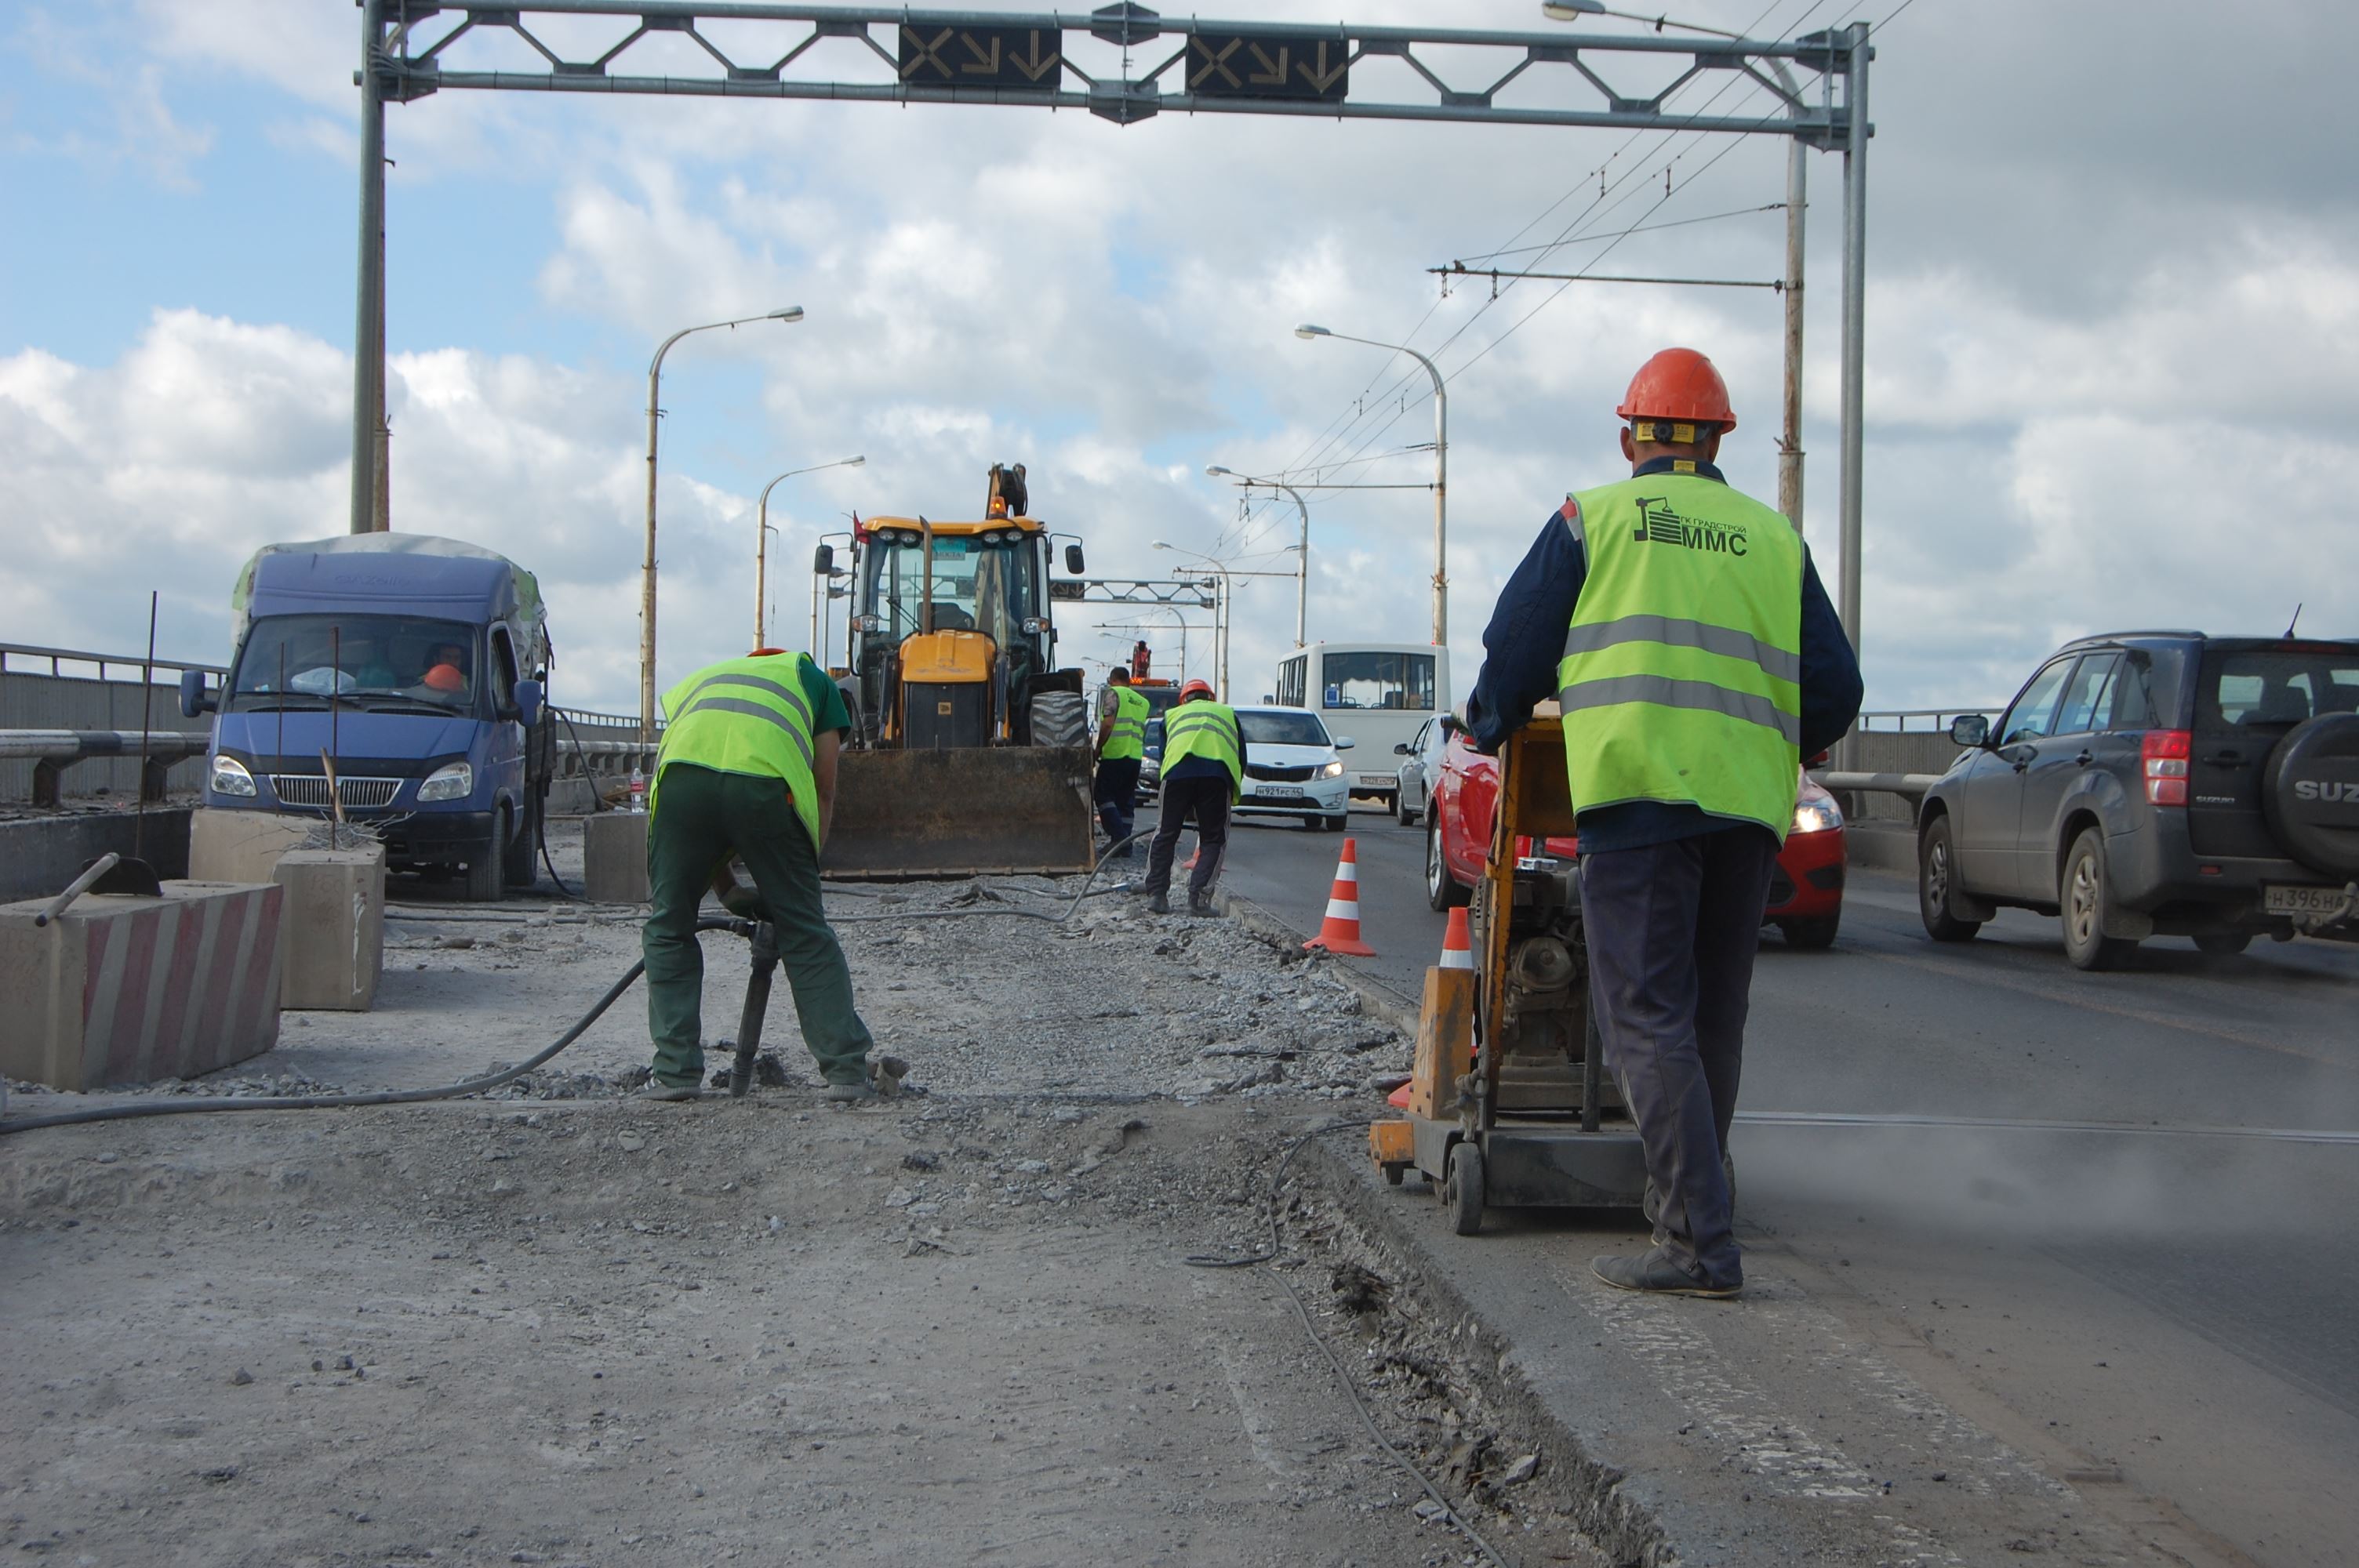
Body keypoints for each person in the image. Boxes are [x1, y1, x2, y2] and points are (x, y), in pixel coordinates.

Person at [1466, 348, 1862, 1298]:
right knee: (1708, 1019)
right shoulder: (1772, 537)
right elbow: (1837, 689)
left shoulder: (1591, 518)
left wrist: (1489, 719)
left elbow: (1514, 648)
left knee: (1645, 1015)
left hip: (1640, 798)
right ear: (1722, 436)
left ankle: (1695, 1243)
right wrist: (1770, 742)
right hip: (1747, 812)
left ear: (1628, 434)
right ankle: (1691, 1208)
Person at [638, 646, 889, 1104]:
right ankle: (847, 1073)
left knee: (669, 924)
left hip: (679, 785)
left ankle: (675, 1074)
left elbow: (708, 780)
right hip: (764, 788)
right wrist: (797, 884)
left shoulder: (712, 675)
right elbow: (823, 788)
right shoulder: (814, 681)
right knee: (805, 932)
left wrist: (728, 888)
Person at [1140, 677, 1248, 916]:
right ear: (1211, 698)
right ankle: (1198, 901)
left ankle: (1157, 897)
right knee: (1213, 840)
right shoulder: (1227, 713)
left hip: (1177, 775)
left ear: (1184, 700)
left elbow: (1163, 752)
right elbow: (1242, 757)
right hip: (1216, 777)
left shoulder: (1172, 715)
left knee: (1165, 833)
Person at [1093, 668, 1150, 858]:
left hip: (1115, 755)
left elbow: (1108, 723)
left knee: (1102, 795)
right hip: (1134, 758)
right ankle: (1125, 845)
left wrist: (1098, 747)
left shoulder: (1113, 694)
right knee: (1125, 800)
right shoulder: (1143, 702)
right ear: (1129, 681)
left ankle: (1119, 837)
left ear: (1111, 680)